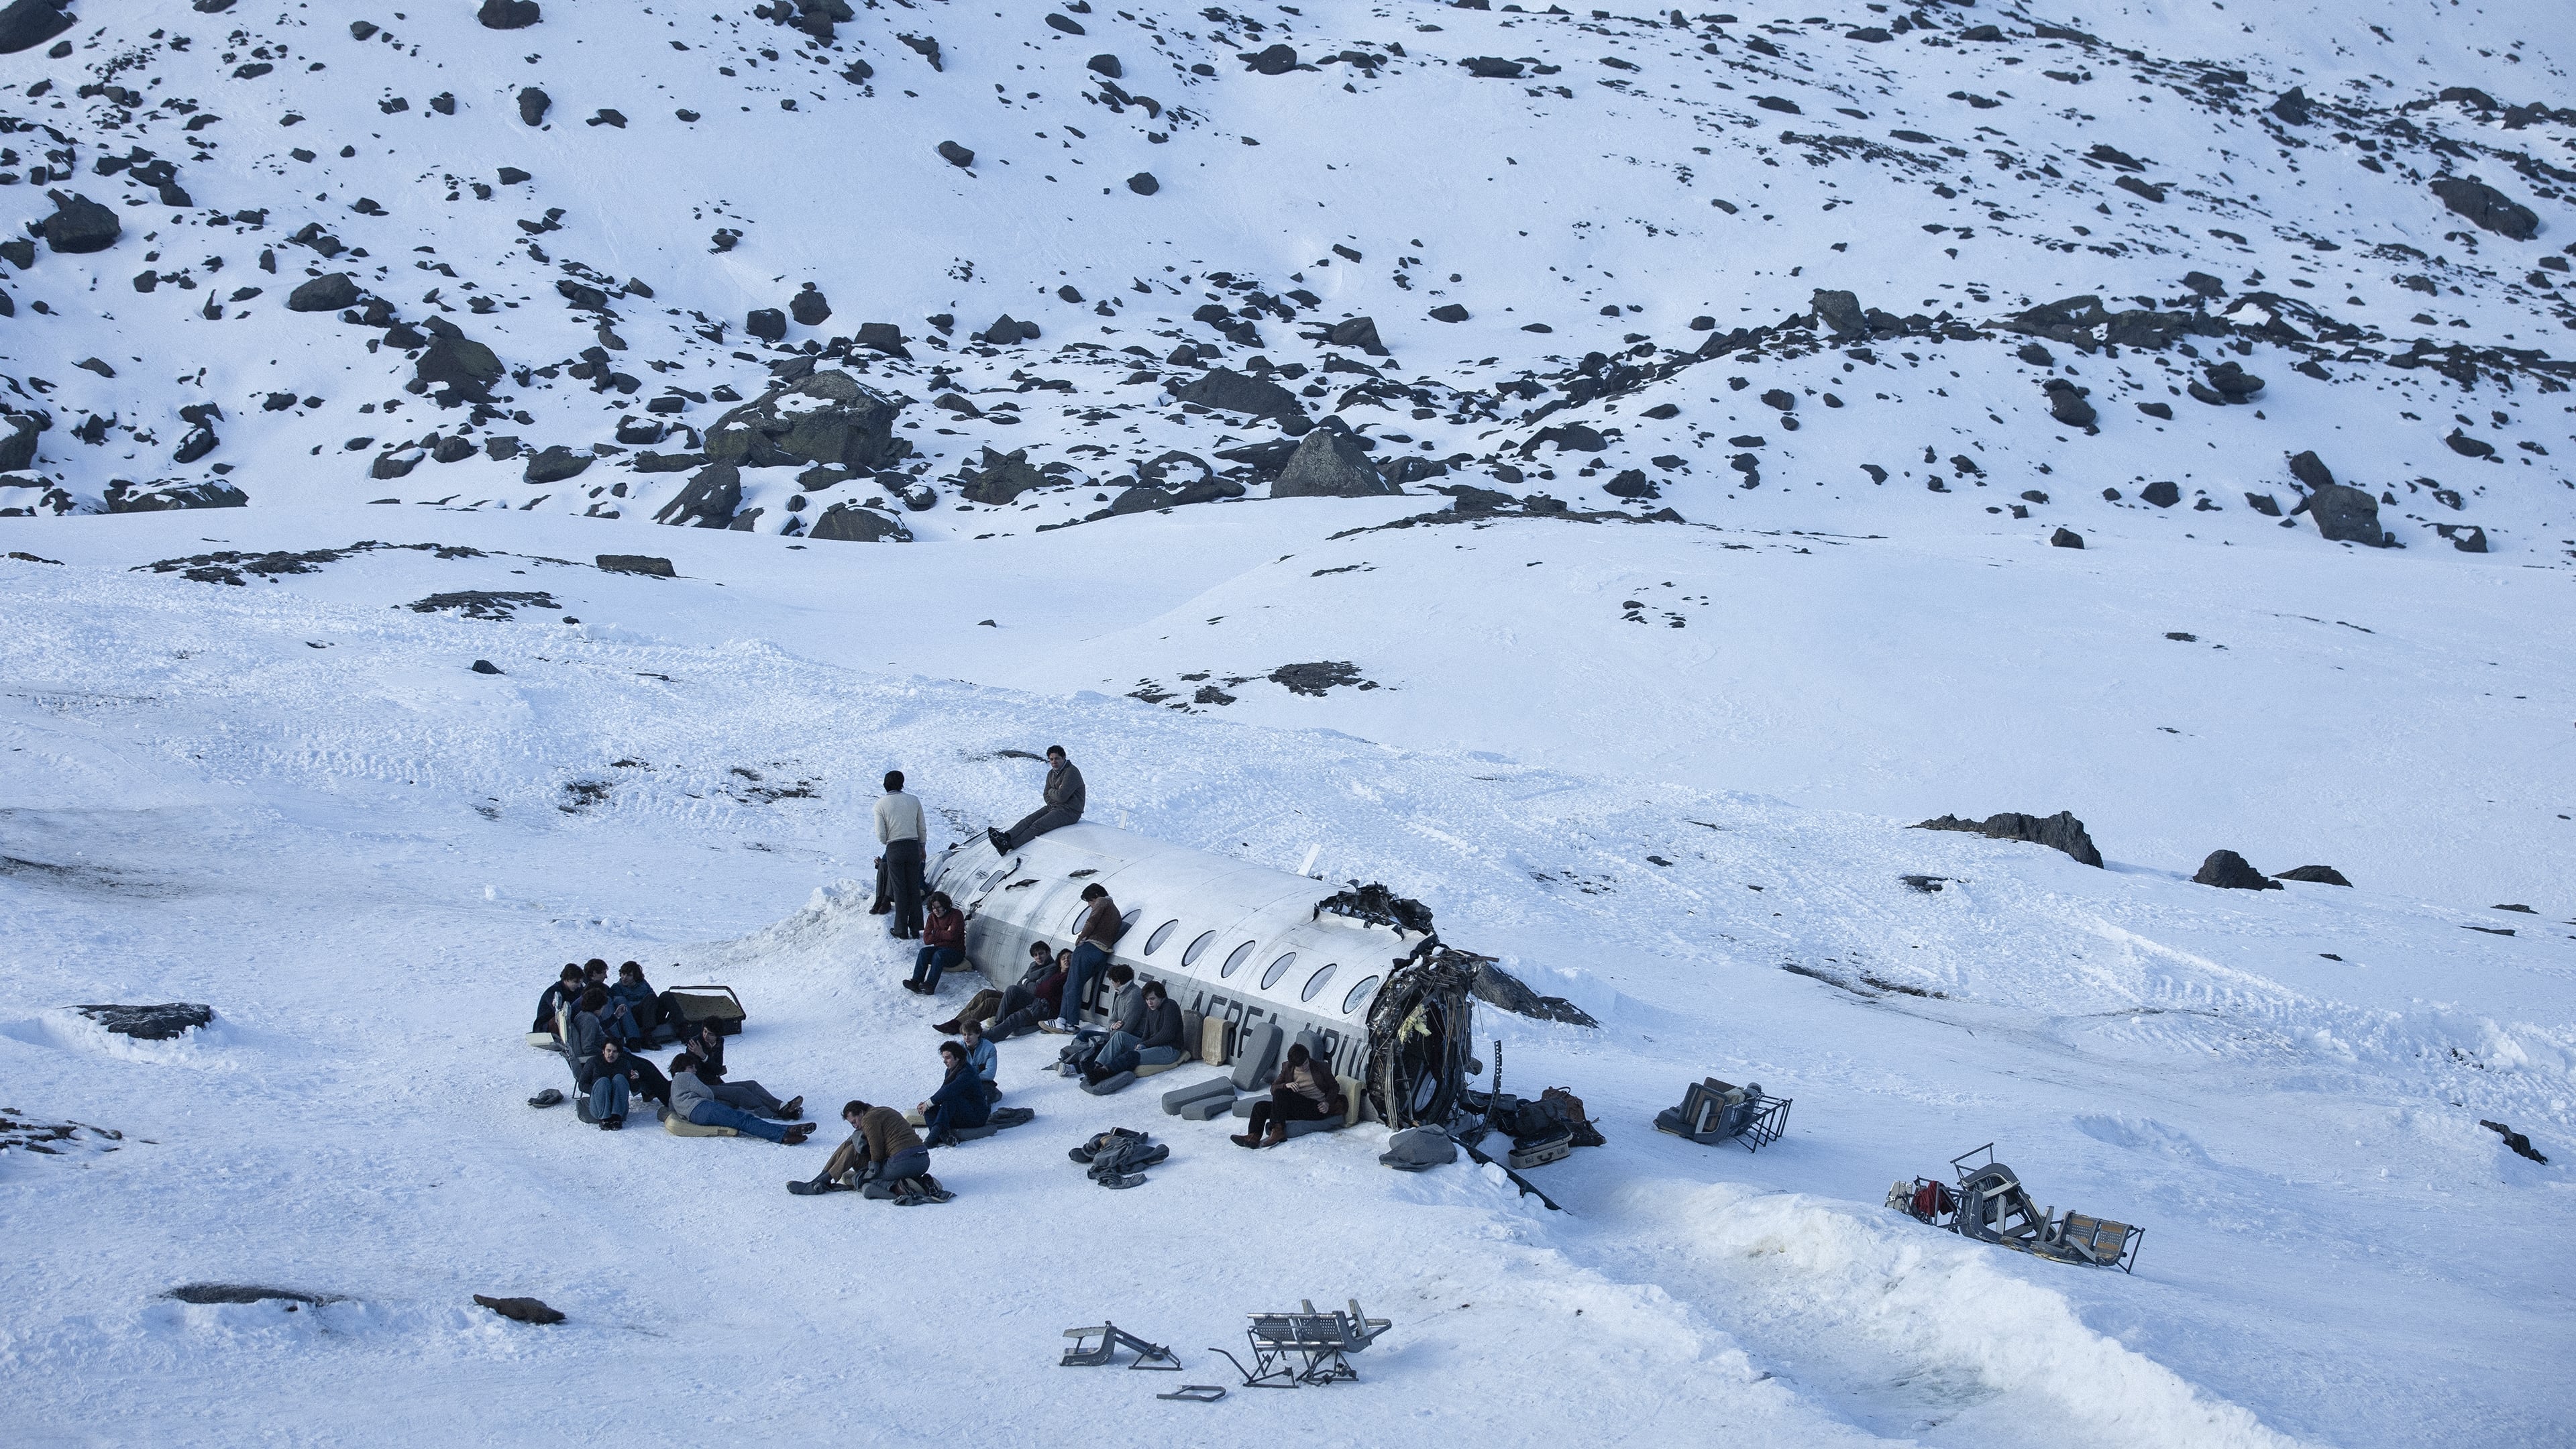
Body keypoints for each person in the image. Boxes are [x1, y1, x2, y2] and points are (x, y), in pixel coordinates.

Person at [671, 1053, 815, 1144]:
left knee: (741, 1121)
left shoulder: (673, 1087)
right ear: (683, 1068)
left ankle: (788, 1129)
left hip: (695, 1117)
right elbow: (707, 1093)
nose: (695, 1070)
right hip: (703, 1108)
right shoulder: (687, 1076)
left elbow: (672, 1107)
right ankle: (783, 1136)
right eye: (692, 1067)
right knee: (744, 1120)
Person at [1041, 883, 1120, 1034]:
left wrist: (1081, 938)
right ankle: (1064, 1021)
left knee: (1072, 985)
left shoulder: (1102, 902)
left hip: (1088, 949)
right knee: (1073, 985)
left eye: (1090, 901)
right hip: (1102, 954)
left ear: (1096, 895)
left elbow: (1091, 921)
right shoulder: (1115, 912)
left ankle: (1066, 1022)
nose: (1090, 906)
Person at [1232, 1044, 1346, 1148]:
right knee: (1260, 1106)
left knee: (1281, 1093)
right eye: (1301, 1066)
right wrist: (1287, 1085)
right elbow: (1273, 1088)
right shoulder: (1287, 1068)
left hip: (1316, 1108)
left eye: (1306, 1062)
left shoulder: (1321, 1067)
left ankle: (1278, 1131)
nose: (1305, 1066)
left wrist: (1327, 1103)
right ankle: (1253, 1137)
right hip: (1297, 1107)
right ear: (1294, 1065)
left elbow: (1335, 1087)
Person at [986, 745, 1084, 853]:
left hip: (1070, 811)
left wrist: (1052, 791)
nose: (1054, 762)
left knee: (1038, 825)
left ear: (1064, 758)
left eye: (1057, 758)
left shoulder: (1071, 772)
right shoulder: (1051, 774)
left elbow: (1061, 796)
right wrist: (1055, 794)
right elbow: (1046, 796)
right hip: (1054, 807)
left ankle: (1009, 845)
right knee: (1028, 820)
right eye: (1051, 759)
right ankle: (1007, 837)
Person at [1087, 979, 1184, 1083]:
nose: (1149, 1002)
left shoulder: (1170, 1006)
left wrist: (1144, 1044)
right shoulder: (1151, 1008)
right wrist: (1140, 1043)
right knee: (1119, 1036)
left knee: (1132, 1056)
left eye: (1152, 999)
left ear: (1161, 997)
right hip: (1153, 1045)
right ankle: (1097, 1067)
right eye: (1147, 1000)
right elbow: (1147, 1032)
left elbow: (1167, 1034)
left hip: (1169, 1050)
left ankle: (1104, 1072)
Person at [877, 770, 926, 940]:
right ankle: (915, 927)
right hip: (913, 846)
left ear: (885, 784)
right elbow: (921, 827)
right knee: (914, 886)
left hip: (894, 848)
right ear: (902, 783)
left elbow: (881, 835)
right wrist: (922, 846)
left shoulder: (880, 805)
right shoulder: (914, 800)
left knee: (899, 889)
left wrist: (889, 841)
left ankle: (901, 929)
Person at [981, 945, 1067, 1040]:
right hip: (1036, 1003)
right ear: (1060, 962)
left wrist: (1026, 982)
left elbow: (1037, 990)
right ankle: (997, 1025)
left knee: (1014, 1016)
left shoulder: (1056, 971)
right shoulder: (1035, 966)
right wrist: (1032, 985)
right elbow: (1021, 984)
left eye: (1041, 953)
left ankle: (991, 1035)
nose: (1038, 957)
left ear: (1048, 953)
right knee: (994, 994)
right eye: (1063, 959)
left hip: (1043, 1006)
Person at [918, 1041, 994, 1146]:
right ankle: (943, 1136)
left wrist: (928, 1103)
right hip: (960, 1114)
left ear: (957, 1058)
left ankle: (932, 1138)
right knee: (931, 1108)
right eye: (944, 1058)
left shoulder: (967, 1072)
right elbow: (943, 1091)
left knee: (951, 1099)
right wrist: (926, 1104)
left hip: (976, 1116)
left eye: (948, 1058)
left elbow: (950, 1090)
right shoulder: (950, 1071)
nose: (945, 1061)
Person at [903, 893, 966, 994]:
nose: (936, 911)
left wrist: (935, 932)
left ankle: (930, 985)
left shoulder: (956, 915)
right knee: (924, 952)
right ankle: (916, 982)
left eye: (939, 907)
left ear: (945, 905)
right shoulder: (932, 917)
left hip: (955, 952)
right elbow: (927, 940)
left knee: (939, 955)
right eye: (933, 908)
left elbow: (952, 936)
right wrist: (945, 932)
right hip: (940, 949)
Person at [602, 961, 659, 1049]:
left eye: (629, 975)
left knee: (666, 995)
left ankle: (683, 1028)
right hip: (632, 1016)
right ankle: (646, 1037)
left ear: (635, 977)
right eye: (623, 974)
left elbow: (654, 998)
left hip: (650, 1014)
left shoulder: (643, 984)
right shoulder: (617, 987)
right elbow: (621, 1005)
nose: (624, 978)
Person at [533, 963, 583, 1038]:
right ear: (566, 979)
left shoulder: (577, 990)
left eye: (580, 983)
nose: (579, 986)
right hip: (545, 1027)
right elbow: (560, 1013)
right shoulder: (553, 992)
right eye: (576, 982)